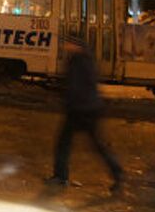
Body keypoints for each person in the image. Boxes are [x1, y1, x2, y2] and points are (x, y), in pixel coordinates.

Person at [49, 37, 123, 192]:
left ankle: (60, 177)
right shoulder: (85, 58)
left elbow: (75, 86)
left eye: (68, 43)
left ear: (75, 45)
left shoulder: (78, 61)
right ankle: (117, 172)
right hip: (89, 108)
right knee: (97, 145)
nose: (65, 46)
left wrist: (68, 101)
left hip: (80, 110)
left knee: (64, 144)